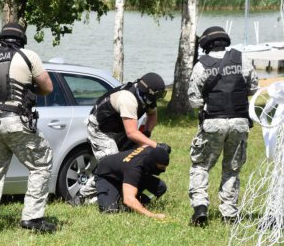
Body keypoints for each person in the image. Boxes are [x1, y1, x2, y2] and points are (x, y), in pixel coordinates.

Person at [0, 22, 56, 233]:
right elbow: (48, 87)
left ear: (0, 39)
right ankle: (33, 218)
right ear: (21, 40)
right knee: (41, 164)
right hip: (16, 121)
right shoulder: (28, 56)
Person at [188, 26, 258, 226]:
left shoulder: (202, 65)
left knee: (201, 165)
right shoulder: (241, 59)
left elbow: (194, 100)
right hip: (239, 122)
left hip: (213, 123)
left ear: (206, 45)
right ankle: (229, 214)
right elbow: (253, 87)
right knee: (232, 168)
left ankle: (200, 208)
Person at [75, 72, 170, 203]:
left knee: (133, 160)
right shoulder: (128, 99)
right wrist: (156, 146)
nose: (158, 98)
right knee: (111, 166)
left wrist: (146, 135)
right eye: (157, 95)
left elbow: (152, 116)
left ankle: (129, 193)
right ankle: (81, 196)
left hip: (119, 130)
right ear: (148, 91)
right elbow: (131, 133)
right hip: (101, 129)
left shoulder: (147, 98)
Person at [93, 145, 170, 219]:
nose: (163, 171)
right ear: (152, 163)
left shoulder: (149, 151)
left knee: (159, 188)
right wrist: (152, 215)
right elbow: (128, 199)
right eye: (161, 168)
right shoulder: (134, 169)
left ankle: (139, 202)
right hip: (108, 176)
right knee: (109, 210)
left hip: (125, 173)